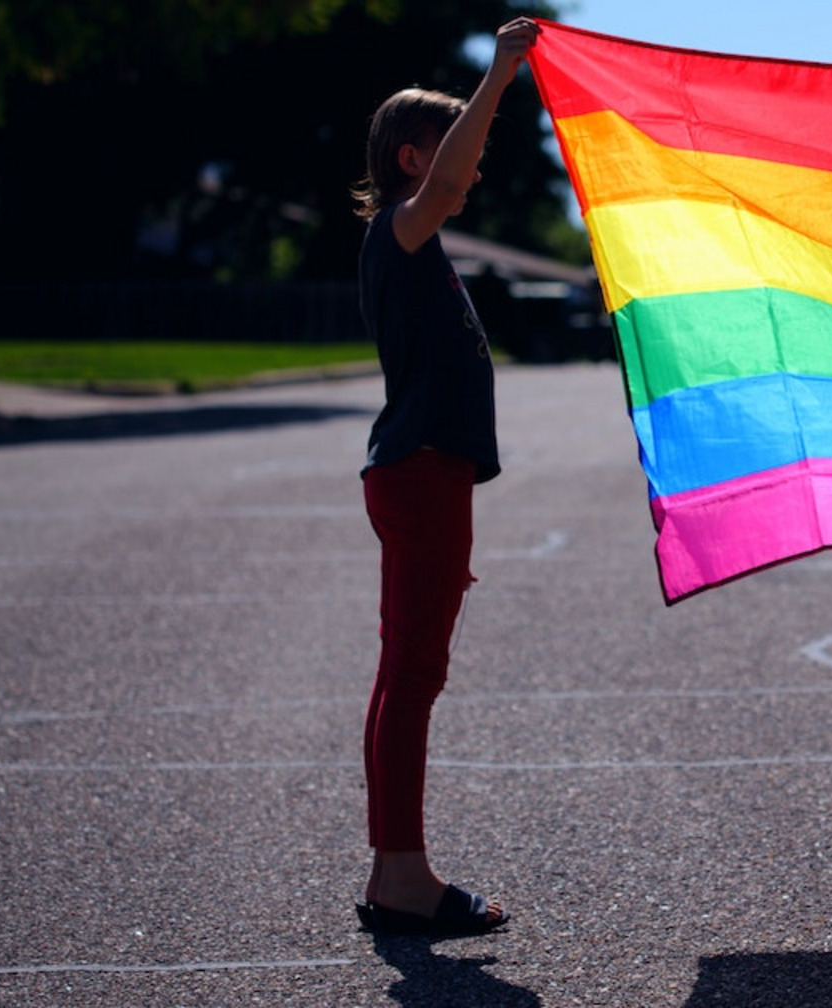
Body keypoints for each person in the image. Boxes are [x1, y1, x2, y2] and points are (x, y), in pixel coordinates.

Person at [348, 16, 540, 937]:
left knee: (406, 675)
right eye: (451, 144)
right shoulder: (402, 228)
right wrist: (502, 73)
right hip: (421, 474)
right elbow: (459, 171)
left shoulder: (416, 243)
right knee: (414, 676)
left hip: (424, 473)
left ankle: (398, 870)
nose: (469, 168)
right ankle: (403, 881)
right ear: (414, 157)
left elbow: (461, 170)